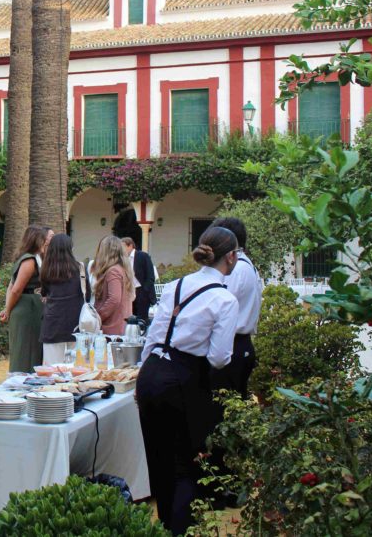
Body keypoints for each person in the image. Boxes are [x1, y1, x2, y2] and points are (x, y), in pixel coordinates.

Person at [136, 226, 240, 535]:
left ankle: (165, 525)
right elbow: (220, 357)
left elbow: (154, 335)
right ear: (231, 257)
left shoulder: (176, 286)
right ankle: (177, 530)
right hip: (183, 378)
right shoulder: (224, 299)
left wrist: (145, 372)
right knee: (185, 464)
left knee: (158, 457)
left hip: (152, 371)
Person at [209, 217, 263, 398]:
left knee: (223, 407)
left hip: (233, 345)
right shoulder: (244, 265)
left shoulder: (236, 268)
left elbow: (218, 306)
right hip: (237, 343)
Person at [0, 225, 52, 372]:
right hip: (27, 309)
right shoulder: (29, 260)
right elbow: (16, 289)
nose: (45, 243)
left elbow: (11, 287)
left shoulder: (25, 258)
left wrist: (7, 308)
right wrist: (8, 310)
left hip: (27, 307)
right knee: (26, 350)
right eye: (43, 240)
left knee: (25, 348)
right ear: (36, 241)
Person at [39, 234, 83, 365]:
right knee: (75, 368)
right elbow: (86, 294)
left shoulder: (46, 270)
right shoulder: (79, 268)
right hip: (76, 322)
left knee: (52, 369)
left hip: (53, 322)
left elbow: (44, 292)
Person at [90, 236, 135, 335]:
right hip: (120, 325)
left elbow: (114, 299)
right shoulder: (122, 269)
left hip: (112, 327)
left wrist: (97, 316)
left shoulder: (113, 271)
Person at [122, 236, 157, 322]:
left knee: (141, 319)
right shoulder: (123, 259)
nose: (121, 250)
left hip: (142, 291)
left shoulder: (143, 256)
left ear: (130, 246)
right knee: (130, 319)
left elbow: (150, 276)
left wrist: (145, 290)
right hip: (129, 292)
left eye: (123, 247)